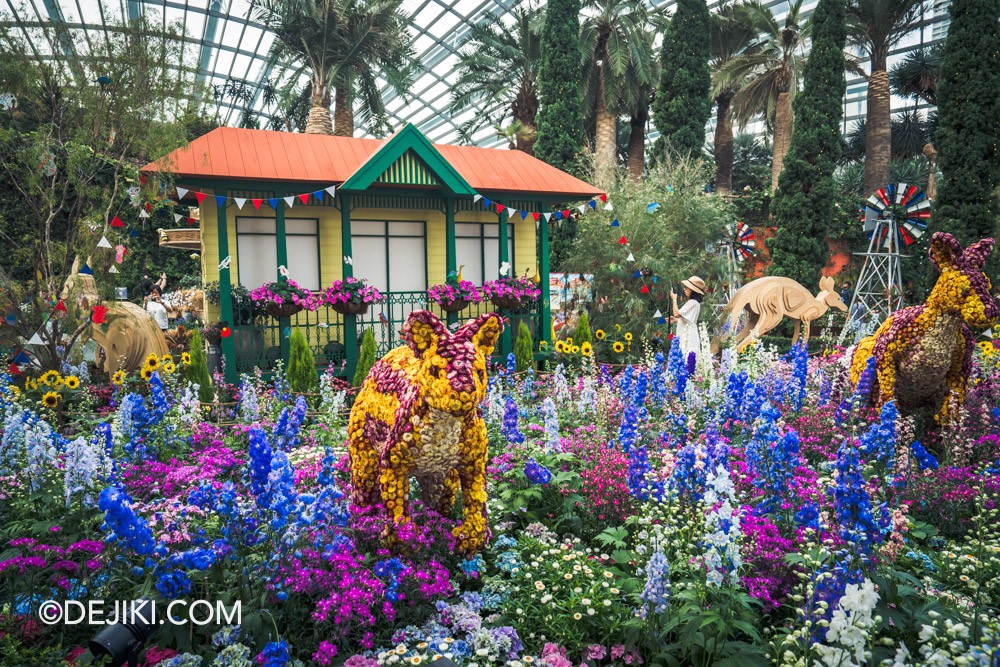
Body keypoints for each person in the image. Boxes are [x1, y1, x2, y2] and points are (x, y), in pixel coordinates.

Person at [670, 276, 706, 356]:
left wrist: (674, 299)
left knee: (687, 357)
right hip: (687, 334)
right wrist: (676, 320)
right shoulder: (694, 303)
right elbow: (688, 320)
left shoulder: (692, 303)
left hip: (688, 337)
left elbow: (676, 313)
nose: (684, 289)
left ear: (692, 290)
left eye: (686, 287)